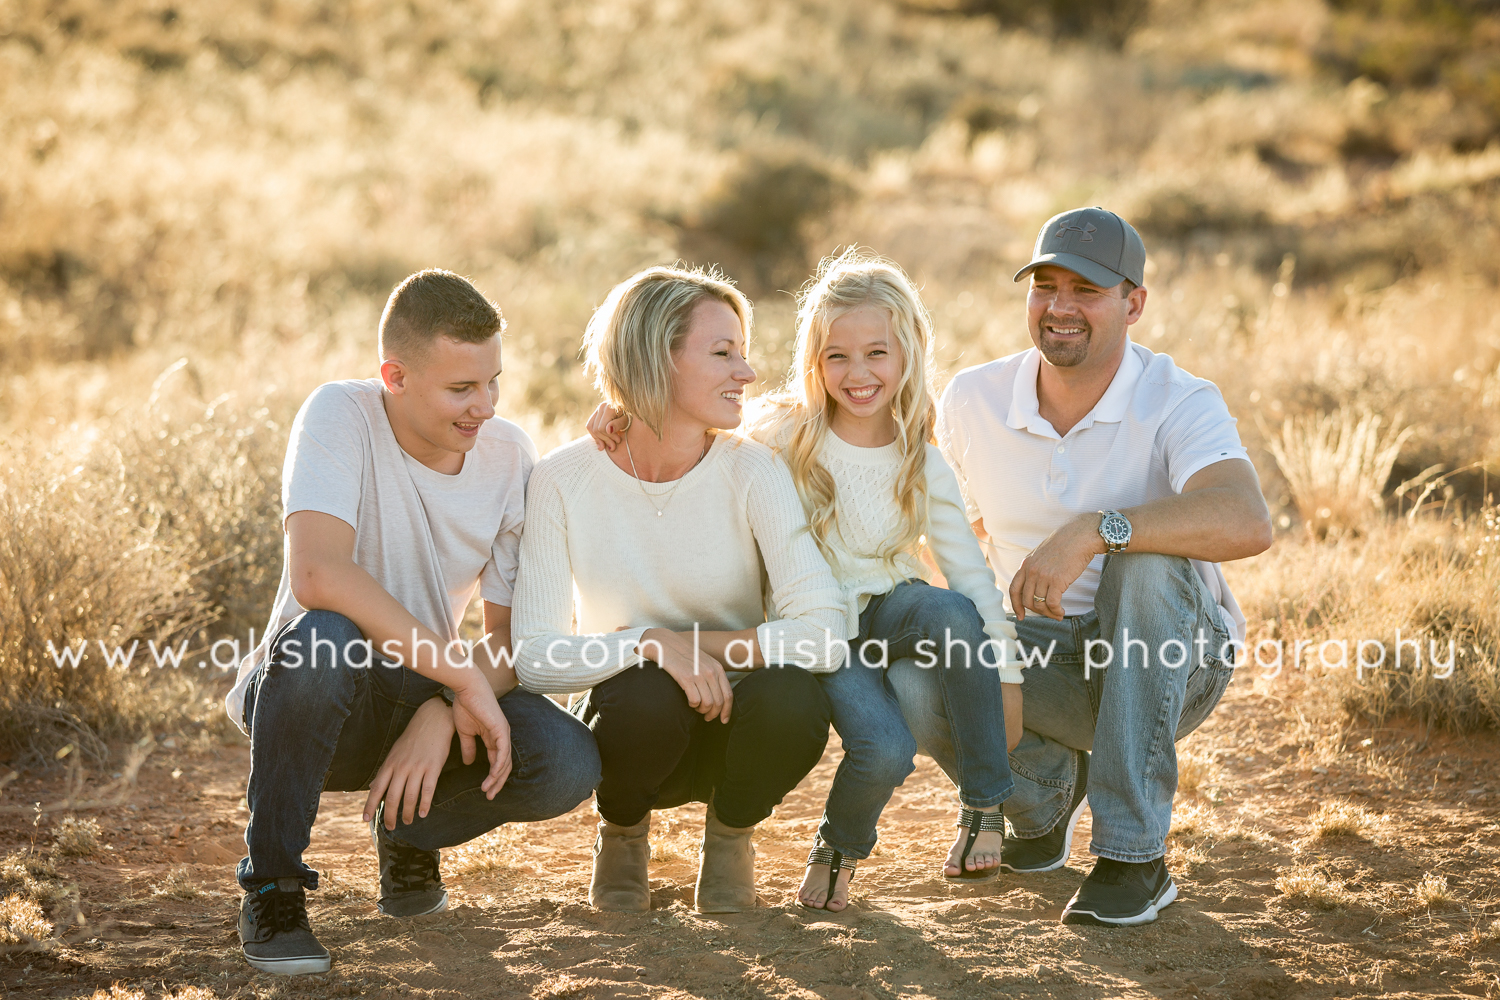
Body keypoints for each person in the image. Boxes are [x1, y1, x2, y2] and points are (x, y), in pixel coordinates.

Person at [592, 252, 1024, 912]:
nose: (858, 375)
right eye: (837, 357)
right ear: (813, 361)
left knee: (952, 611)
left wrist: (1010, 677)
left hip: (892, 607)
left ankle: (985, 806)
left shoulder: (923, 461)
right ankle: (837, 849)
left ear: (908, 352)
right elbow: (686, 414)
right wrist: (615, 413)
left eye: (877, 353)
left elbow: (972, 578)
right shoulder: (781, 430)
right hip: (819, 638)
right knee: (883, 749)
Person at [225, 270, 600, 976]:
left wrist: (441, 705)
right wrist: (458, 676)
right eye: (462, 389)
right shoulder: (340, 414)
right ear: (393, 376)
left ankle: (406, 831)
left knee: (566, 760)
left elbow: (514, 635)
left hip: (420, 688)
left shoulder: (509, 453)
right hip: (305, 692)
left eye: (494, 381)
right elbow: (319, 576)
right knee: (328, 637)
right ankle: (273, 884)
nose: (484, 406)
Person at [934, 207, 1273, 926]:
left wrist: (1093, 531)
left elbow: (1247, 519)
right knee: (918, 650)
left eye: (1086, 290)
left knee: (1142, 567)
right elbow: (935, 512)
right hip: (1046, 655)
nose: (1060, 307)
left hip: (1174, 658)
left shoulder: (1178, 398)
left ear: (1134, 304)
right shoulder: (974, 398)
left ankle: (1132, 857)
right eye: (1045, 286)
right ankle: (1040, 797)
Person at [509, 264, 846, 915]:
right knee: (641, 695)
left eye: (742, 353)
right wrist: (651, 644)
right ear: (653, 357)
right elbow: (536, 657)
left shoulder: (754, 471)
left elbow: (826, 635)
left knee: (795, 699)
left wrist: (699, 647)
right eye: (723, 353)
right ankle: (625, 834)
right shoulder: (562, 479)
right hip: (633, 733)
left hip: (739, 727)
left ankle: (729, 839)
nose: (745, 373)